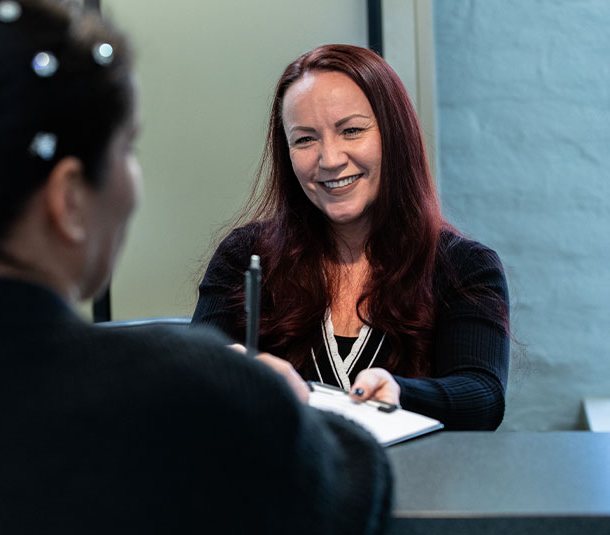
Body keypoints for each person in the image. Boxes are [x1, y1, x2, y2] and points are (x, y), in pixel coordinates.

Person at [0, 3, 393, 533]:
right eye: (127, 149)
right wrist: (268, 403)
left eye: (351, 130)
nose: (329, 158)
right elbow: (354, 483)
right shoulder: (191, 393)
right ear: (68, 198)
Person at [193, 44, 510, 431]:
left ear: (394, 135)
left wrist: (400, 394)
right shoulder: (245, 256)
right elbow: (186, 379)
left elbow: (483, 397)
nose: (330, 159)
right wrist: (225, 368)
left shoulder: (464, 266)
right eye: (305, 139)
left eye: (352, 131)